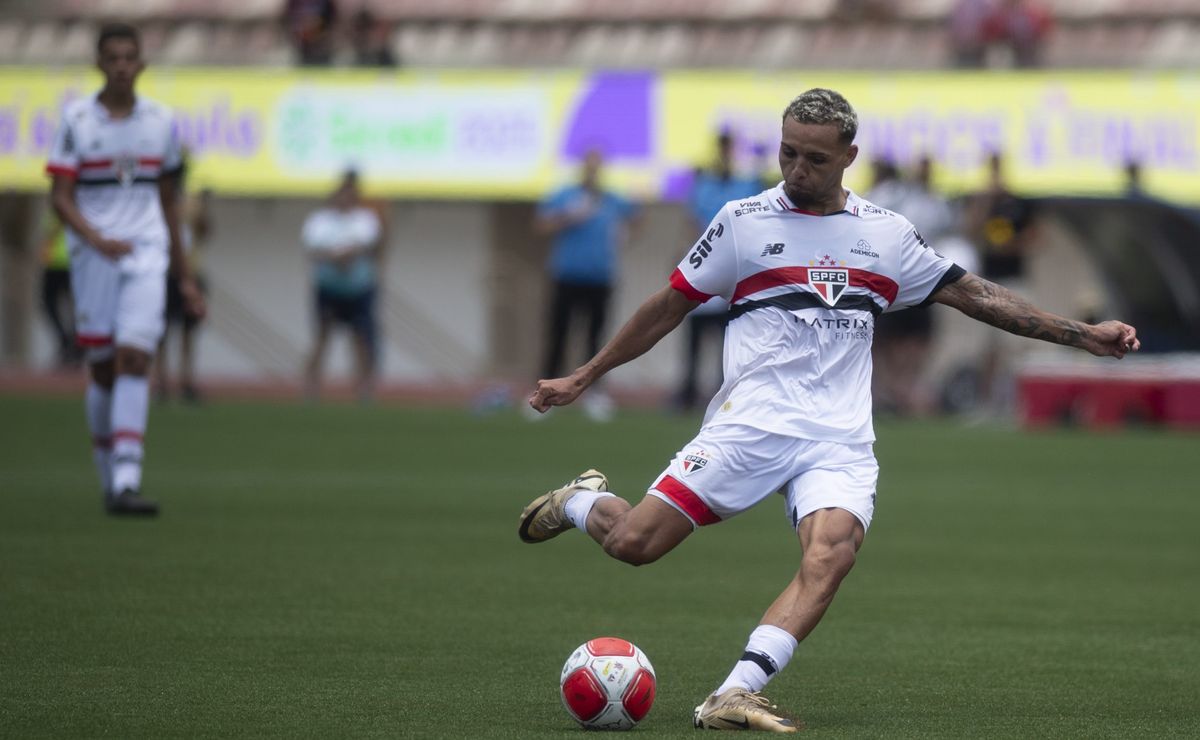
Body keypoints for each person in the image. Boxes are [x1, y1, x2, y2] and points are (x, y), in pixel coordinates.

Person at [518, 88, 1139, 732]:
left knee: (831, 554)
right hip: (750, 424)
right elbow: (667, 305)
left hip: (839, 437)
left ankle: (734, 692)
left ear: (849, 156)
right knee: (634, 544)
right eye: (787, 153)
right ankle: (580, 501)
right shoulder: (742, 221)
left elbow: (976, 295)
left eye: (814, 158)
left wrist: (1081, 334)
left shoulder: (887, 235)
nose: (796, 170)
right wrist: (585, 376)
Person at [46, 23, 205, 516]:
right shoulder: (76, 121)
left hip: (146, 252)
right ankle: (108, 476)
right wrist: (95, 239)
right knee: (102, 371)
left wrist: (184, 275)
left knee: (136, 358)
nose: (121, 65)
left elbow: (168, 200)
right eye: (112, 57)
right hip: (95, 256)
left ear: (141, 64)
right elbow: (60, 196)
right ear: (99, 63)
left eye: (129, 57)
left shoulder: (160, 122)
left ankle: (128, 477)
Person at [534, 149, 637, 420]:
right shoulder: (565, 195)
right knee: (558, 336)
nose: (592, 171)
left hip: (600, 277)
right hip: (567, 275)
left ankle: (595, 393)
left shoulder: (612, 199)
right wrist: (567, 217)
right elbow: (541, 225)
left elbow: (636, 219)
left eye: (597, 166)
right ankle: (544, 393)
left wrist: (624, 237)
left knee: (597, 339)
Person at [676, 131, 762, 411]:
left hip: (737, 266)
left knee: (730, 337)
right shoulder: (705, 183)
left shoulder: (744, 182)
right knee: (695, 331)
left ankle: (724, 390)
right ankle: (688, 389)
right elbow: (693, 221)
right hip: (708, 262)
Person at [866, 154, 957, 416]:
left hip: (924, 278)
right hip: (895, 277)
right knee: (889, 339)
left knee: (917, 340)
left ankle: (905, 390)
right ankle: (890, 391)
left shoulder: (938, 203)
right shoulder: (898, 197)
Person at [302, 170, 383, 402]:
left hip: (359, 289)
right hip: (329, 288)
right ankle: (311, 387)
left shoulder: (365, 219)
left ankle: (364, 388)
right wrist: (335, 257)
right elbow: (312, 250)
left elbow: (368, 245)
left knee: (361, 338)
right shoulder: (320, 221)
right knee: (321, 337)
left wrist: (347, 254)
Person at [156, 183, 211, 403]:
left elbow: (205, 231)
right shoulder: (159, 201)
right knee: (161, 332)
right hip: (166, 273)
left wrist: (203, 209)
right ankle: (161, 381)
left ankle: (186, 380)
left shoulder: (193, 204)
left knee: (189, 330)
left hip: (192, 272)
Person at [38, 212, 80, 368]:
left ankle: (69, 342)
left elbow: (52, 232)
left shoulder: (62, 207)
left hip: (59, 263)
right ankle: (72, 343)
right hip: (68, 262)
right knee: (72, 306)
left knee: (50, 302)